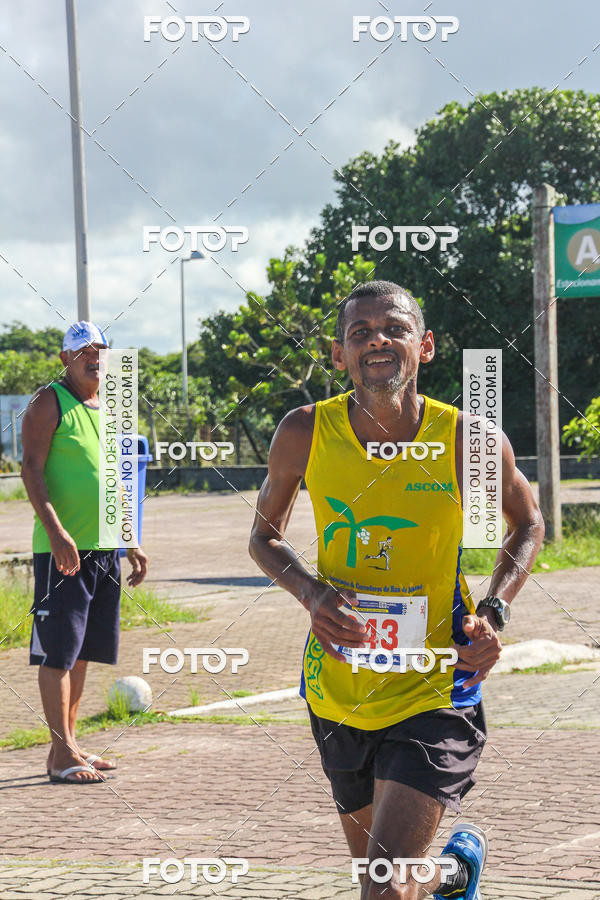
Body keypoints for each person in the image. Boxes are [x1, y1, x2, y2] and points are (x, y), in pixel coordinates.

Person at [249, 281, 545, 899]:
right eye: (360, 332)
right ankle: (456, 874)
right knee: (383, 882)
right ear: (339, 355)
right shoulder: (304, 432)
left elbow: (529, 524)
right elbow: (263, 538)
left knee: (382, 887)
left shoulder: (469, 440)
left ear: (426, 346)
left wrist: (494, 609)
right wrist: (311, 594)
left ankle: (448, 872)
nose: (377, 340)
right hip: (338, 689)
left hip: (438, 685)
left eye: (394, 329)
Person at [21, 321, 148, 785]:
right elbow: (30, 469)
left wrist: (130, 541)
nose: (94, 357)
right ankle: (60, 754)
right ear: (65, 358)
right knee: (57, 651)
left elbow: (116, 478)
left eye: (101, 349)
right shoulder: (47, 401)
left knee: (82, 650)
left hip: (103, 550)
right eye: (83, 351)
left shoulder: (112, 404)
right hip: (62, 550)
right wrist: (55, 532)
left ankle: (71, 742)